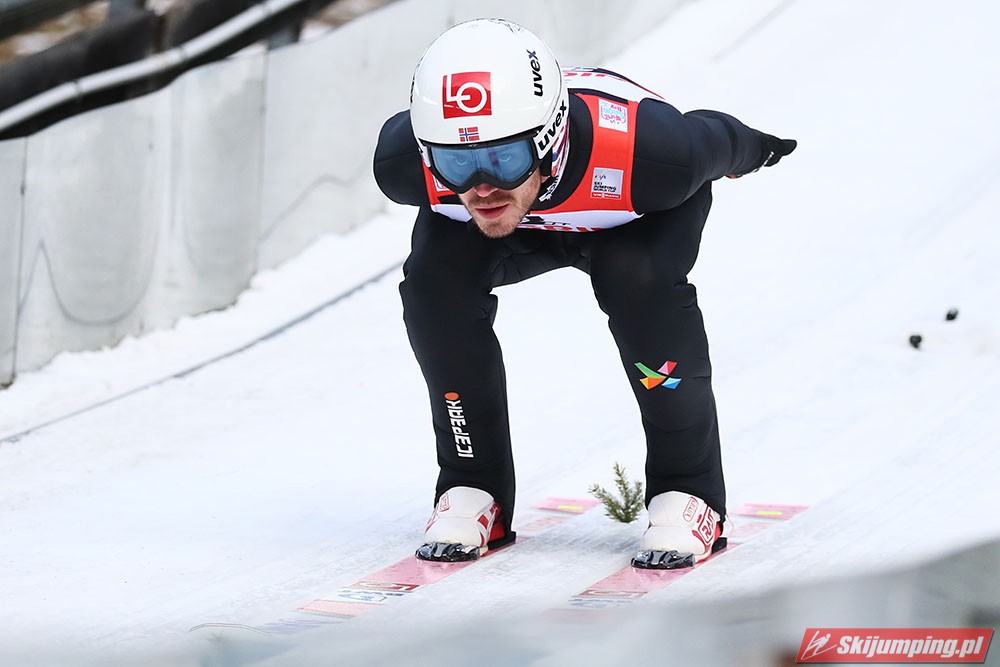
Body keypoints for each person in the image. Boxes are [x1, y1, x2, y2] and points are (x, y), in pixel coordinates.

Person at [372, 18, 796, 568]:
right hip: (515, 229)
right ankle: (472, 484)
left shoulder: (657, 154)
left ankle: (687, 489)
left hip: (630, 220)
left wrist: (759, 149)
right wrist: (487, 169)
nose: (481, 186)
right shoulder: (405, 165)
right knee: (432, 288)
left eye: (503, 158)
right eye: (457, 162)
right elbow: (473, 180)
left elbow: (719, 137)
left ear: (549, 138)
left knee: (637, 280)